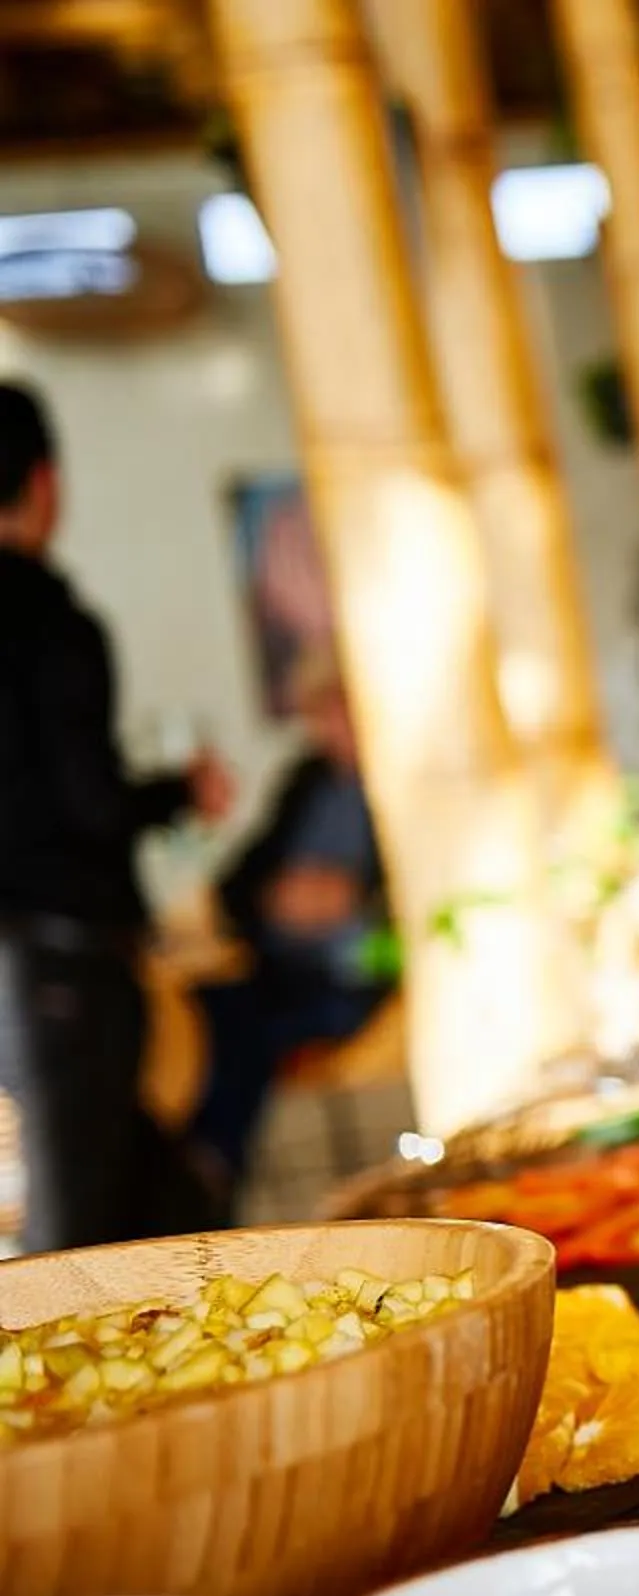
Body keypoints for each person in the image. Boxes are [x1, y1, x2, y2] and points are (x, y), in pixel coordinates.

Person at [0, 380, 229, 1248]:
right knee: (71, 1237)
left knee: (155, 1202)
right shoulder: (52, 625)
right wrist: (175, 793)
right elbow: (86, 804)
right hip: (55, 964)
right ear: (46, 483)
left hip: (23, 970)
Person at [191, 660, 394, 1206]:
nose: (326, 730)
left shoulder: (403, 786)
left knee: (250, 1028)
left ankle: (214, 1172)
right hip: (278, 965)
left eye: (337, 713)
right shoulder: (305, 778)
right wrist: (274, 897)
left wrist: (354, 899)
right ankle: (203, 1165)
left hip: (358, 974)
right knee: (207, 1012)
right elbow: (236, 881)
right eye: (319, 716)